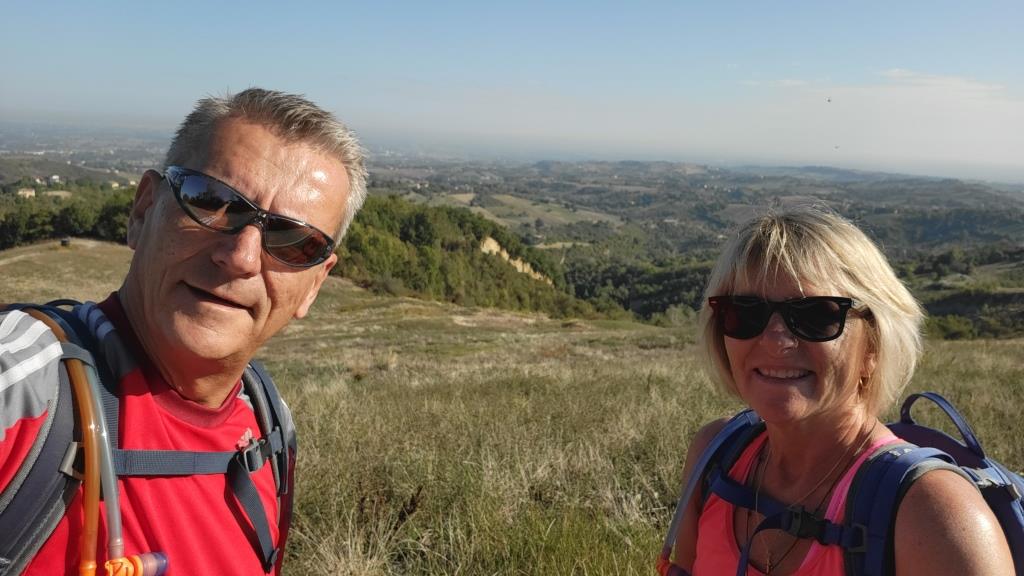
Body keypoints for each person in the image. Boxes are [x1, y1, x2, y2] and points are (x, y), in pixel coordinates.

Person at [0, 88, 367, 575]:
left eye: (293, 241)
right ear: (143, 210)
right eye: (212, 202)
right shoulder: (23, 388)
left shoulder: (269, 425)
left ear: (314, 286)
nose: (241, 257)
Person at [667, 207, 1013, 575]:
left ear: (873, 345)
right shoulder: (715, 454)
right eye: (745, 312)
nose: (775, 340)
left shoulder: (934, 515)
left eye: (816, 316)